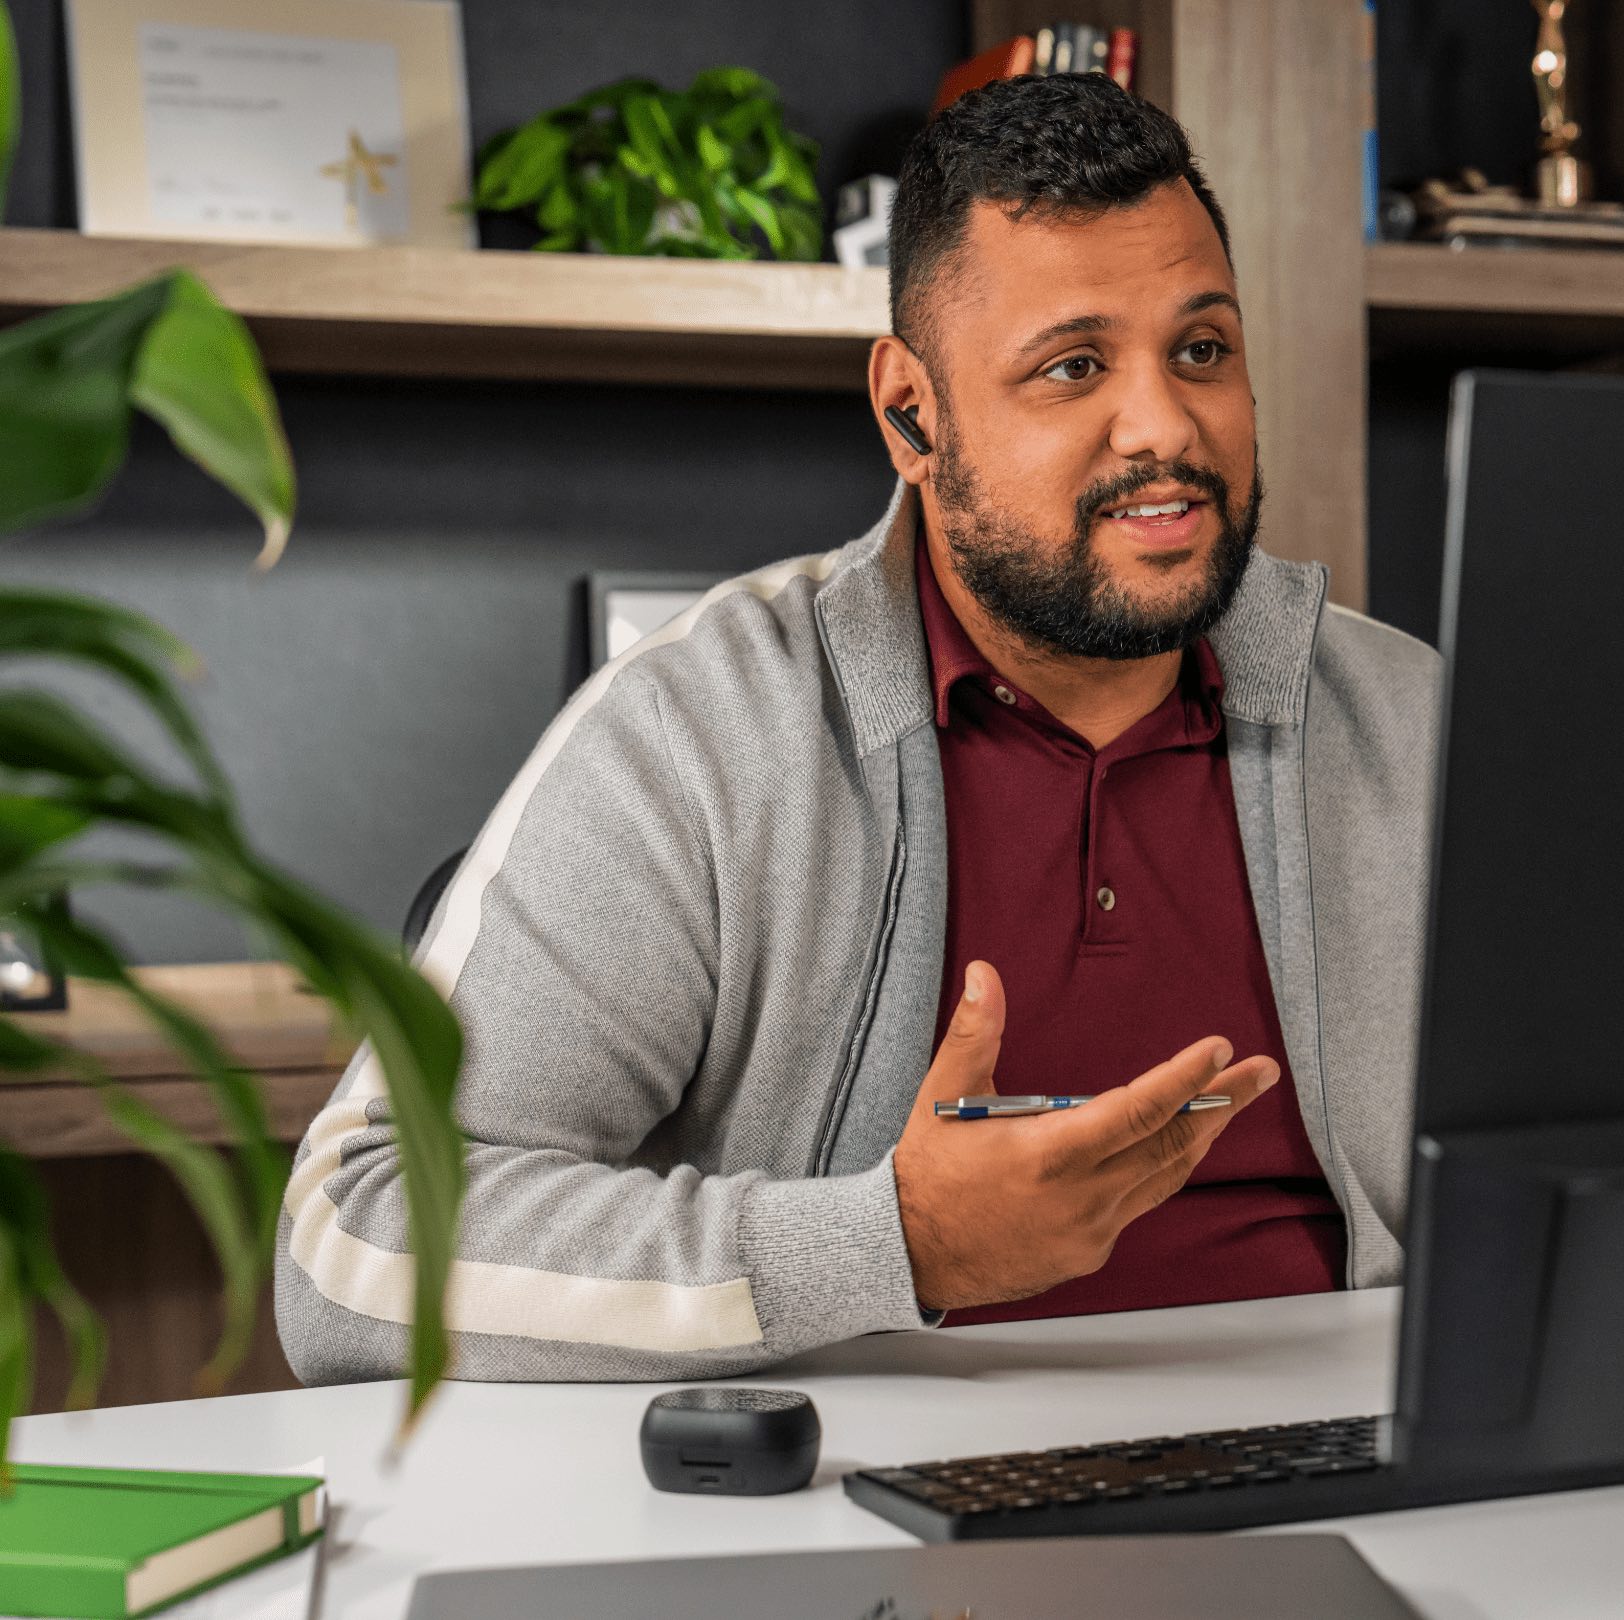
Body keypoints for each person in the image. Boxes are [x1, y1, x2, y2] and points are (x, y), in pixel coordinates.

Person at [276, 73, 1437, 1383]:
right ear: (910, 414)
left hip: (1361, 1477)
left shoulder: (1419, 725)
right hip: (868, 1516)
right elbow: (352, 1242)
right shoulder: (696, 734)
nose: (1167, 426)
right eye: (1073, 367)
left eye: (1202, 350)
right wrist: (894, 1245)